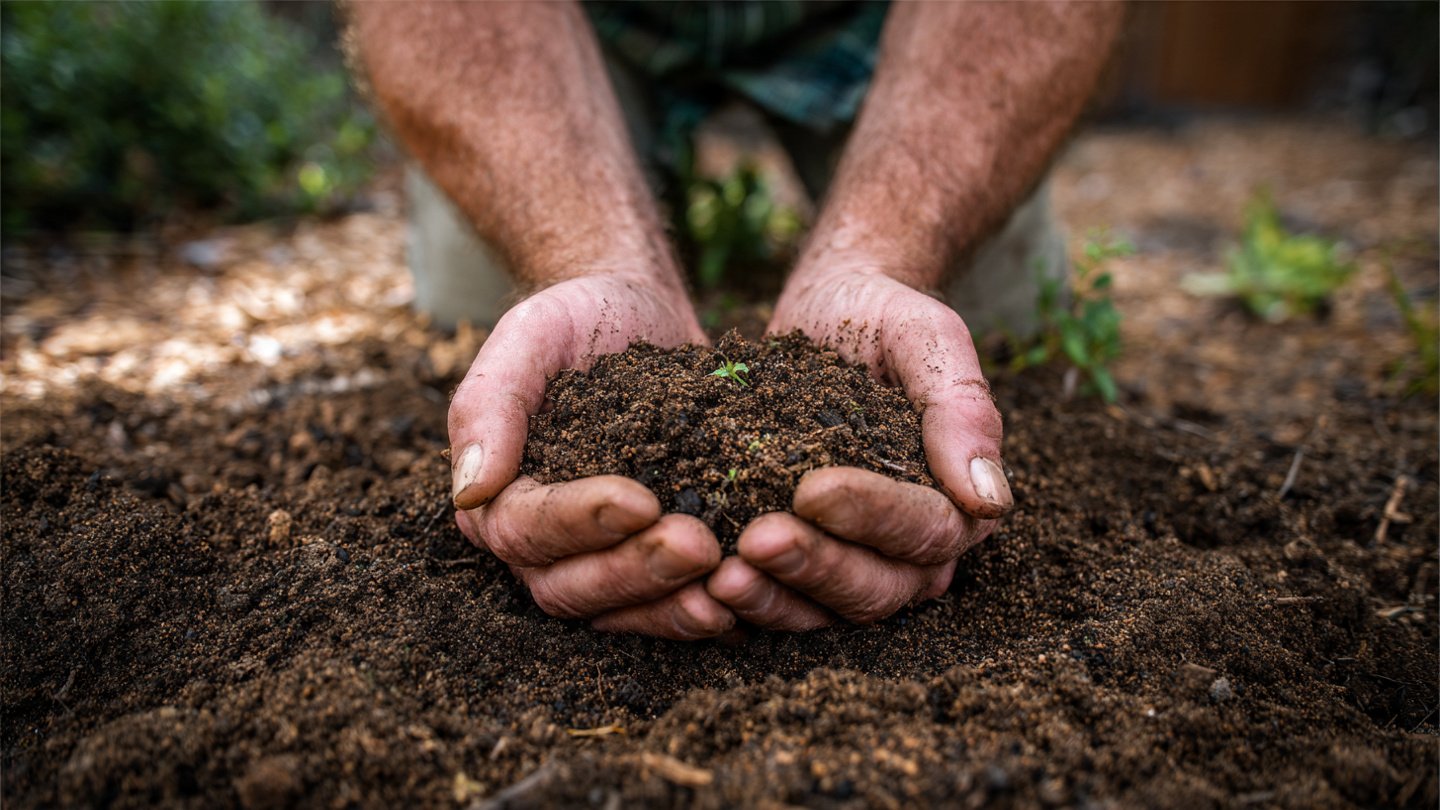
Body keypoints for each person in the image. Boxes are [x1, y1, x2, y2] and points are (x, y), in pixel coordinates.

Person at [349, 1, 1122, 640]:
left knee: (1001, 327)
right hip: (565, 27)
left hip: (874, 25)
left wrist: (878, 258)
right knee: (480, 307)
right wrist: (592, 260)